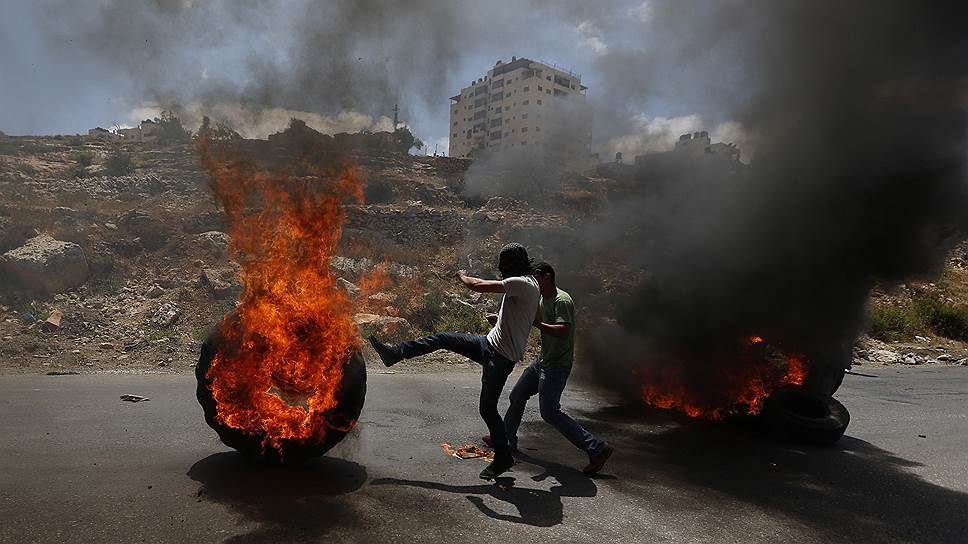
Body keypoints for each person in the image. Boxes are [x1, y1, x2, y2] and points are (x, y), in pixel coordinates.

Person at [368, 242, 540, 479]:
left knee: (488, 409)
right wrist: (500, 320)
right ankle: (394, 354)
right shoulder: (528, 284)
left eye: (503, 266)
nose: (501, 271)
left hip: (500, 358)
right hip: (488, 344)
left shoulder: (522, 283)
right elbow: (521, 315)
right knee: (443, 338)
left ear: (512, 265)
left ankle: (503, 457)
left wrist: (462, 276)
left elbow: (477, 286)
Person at [484, 261, 613, 475]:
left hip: (556, 365)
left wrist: (537, 325)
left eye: (536, 276)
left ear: (547, 276)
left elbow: (562, 331)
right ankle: (506, 439)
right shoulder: (539, 297)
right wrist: (500, 321)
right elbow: (526, 320)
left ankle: (597, 448)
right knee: (517, 395)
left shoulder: (562, 300)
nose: (532, 280)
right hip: (542, 361)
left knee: (550, 412)